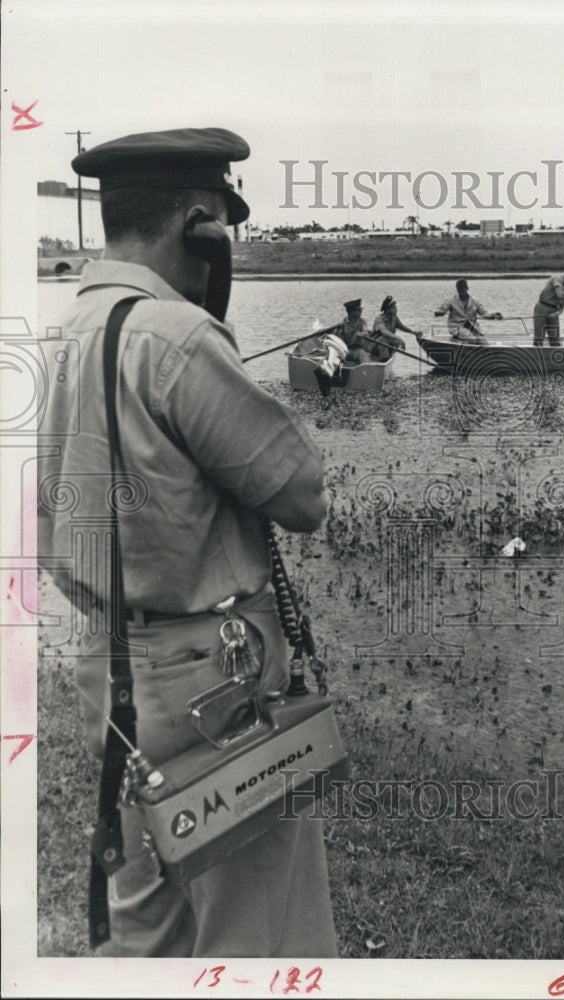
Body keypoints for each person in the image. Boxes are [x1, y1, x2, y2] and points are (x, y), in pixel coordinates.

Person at [37, 128, 338, 958]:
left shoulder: (62, 332)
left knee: (145, 917)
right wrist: (215, 315)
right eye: (222, 233)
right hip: (217, 674)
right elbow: (303, 496)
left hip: (115, 667)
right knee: (257, 925)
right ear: (202, 223)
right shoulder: (177, 337)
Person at [434, 278, 502, 345]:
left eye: (463, 290)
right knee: (472, 339)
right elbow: (442, 309)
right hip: (457, 327)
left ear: (467, 288)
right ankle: (466, 348)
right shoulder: (450, 300)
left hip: (472, 327)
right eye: (459, 290)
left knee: (483, 342)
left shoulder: (475, 301)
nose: (461, 292)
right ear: (457, 290)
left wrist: (494, 315)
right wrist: (440, 312)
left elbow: (484, 313)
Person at [368, 295, 421, 361]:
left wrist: (414, 332)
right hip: (375, 347)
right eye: (394, 308)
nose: (396, 310)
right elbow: (384, 332)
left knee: (396, 343)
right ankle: (384, 359)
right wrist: (400, 339)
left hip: (386, 345)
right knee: (384, 339)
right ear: (387, 310)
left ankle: (388, 356)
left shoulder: (394, 317)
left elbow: (402, 327)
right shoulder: (379, 319)